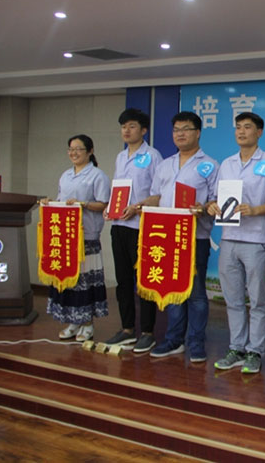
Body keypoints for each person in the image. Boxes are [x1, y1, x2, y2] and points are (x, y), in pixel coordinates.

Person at [206, 112, 265, 374]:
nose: (241, 132)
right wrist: (212, 206)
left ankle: (255, 351)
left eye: (247, 127)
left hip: (256, 240)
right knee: (233, 299)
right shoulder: (226, 164)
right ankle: (236, 347)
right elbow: (216, 196)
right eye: (238, 127)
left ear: (259, 132)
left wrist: (256, 210)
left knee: (258, 300)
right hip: (229, 238)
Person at [143, 112, 219, 363]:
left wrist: (203, 207)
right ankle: (174, 339)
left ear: (198, 133)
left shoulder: (209, 164)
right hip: (166, 236)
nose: (180, 134)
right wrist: (140, 205)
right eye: (176, 130)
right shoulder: (165, 164)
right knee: (172, 291)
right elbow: (156, 196)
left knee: (196, 294)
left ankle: (196, 342)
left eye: (186, 129)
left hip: (195, 237)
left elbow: (215, 201)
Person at [103, 108, 163, 354]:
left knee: (144, 282)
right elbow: (119, 190)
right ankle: (127, 329)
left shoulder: (153, 156)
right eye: (123, 127)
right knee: (123, 281)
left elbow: (159, 194)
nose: (126, 131)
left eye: (132, 126)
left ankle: (147, 332)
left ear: (144, 130)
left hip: (141, 227)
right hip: (119, 226)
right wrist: (110, 208)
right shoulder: (120, 157)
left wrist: (137, 207)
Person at [45, 134, 110, 342]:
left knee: (85, 281)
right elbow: (61, 202)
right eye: (70, 149)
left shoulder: (97, 175)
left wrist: (83, 204)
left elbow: (104, 204)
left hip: (87, 235)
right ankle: (73, 320)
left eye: (78, 149)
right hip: (66, 236)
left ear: (90, 151)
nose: (73, 153)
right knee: (70, 279)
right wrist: (50, 203)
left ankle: (87, 323)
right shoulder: (65, 175)